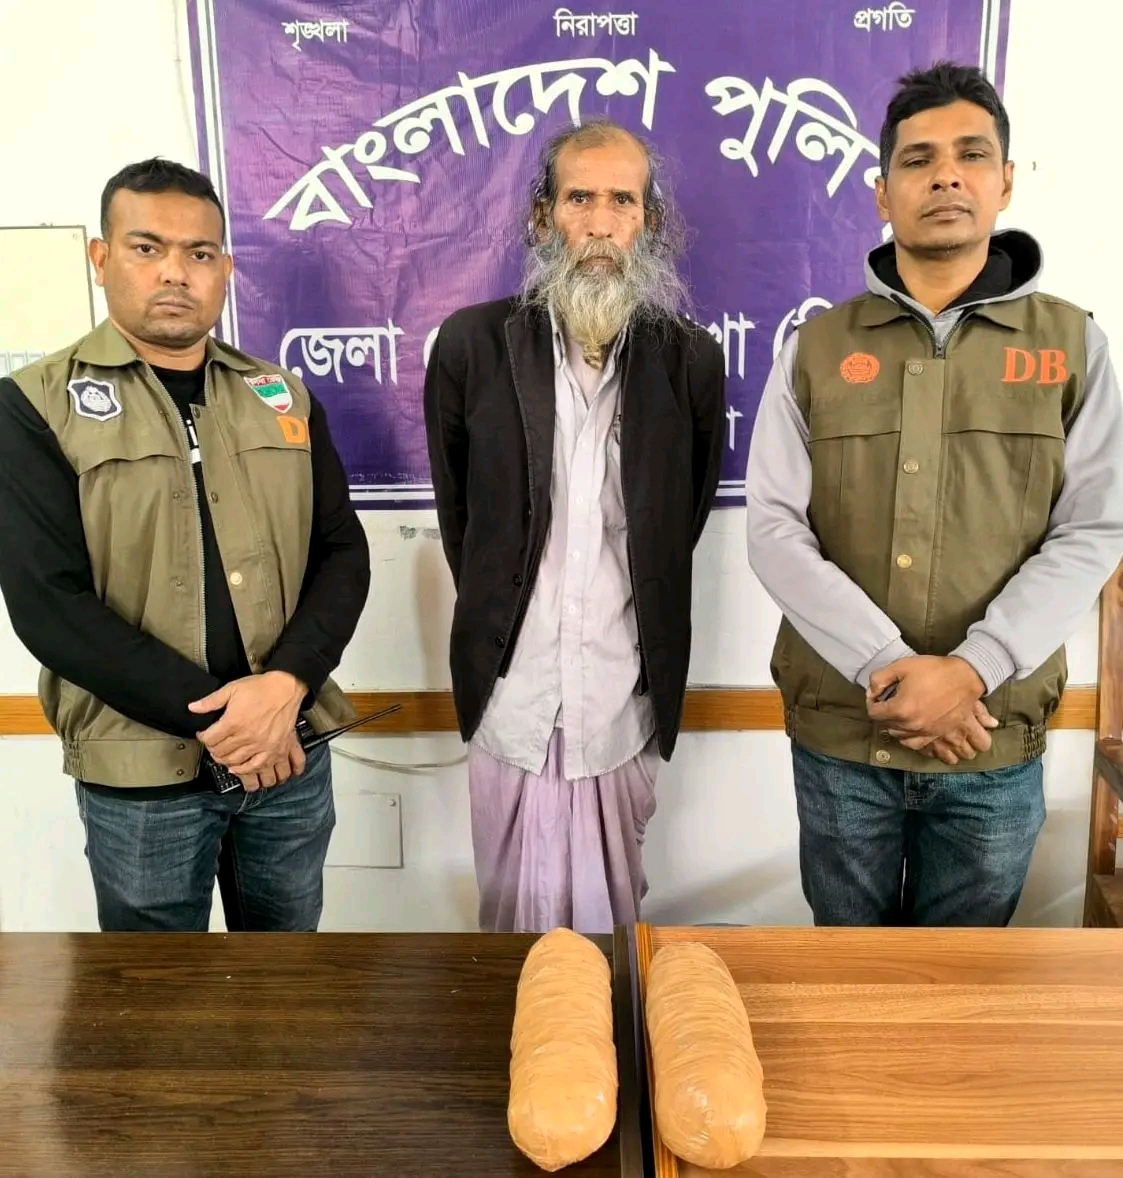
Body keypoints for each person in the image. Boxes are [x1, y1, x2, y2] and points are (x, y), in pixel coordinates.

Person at [746, 62, 1123, 927]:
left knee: (962, 984)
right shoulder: (815, 347)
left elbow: (1093, 528)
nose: (945, 176)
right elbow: (772, 527)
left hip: (989, 739)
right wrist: (887, 669)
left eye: (969, 155)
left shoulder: (1072, 345)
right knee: (845, 975)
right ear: (883, 192)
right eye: (917, 160)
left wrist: (971, 671)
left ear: (1004, 181)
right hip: (842, 737)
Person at [0, 159, 370, 932]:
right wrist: (226, 722)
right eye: (147, 248)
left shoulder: (282, 396)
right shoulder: (34, 405)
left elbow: (341, 552)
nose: (175, 272)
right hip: (142, 774)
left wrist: (285, 686)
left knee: (285, 978)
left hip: (289, 754)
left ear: (225, 270)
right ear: (101, 258)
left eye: (199, 253)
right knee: (157, 991)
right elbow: (48, 604)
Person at [424, 119, 726, 934]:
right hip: (512, 699)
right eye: (578, 199)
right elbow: (463, 522)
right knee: (509, 938)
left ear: (647, 222)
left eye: (621, 202)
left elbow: (677, 524)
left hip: (619, 703)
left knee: (612, 933)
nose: (599, 224)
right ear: (542, 216)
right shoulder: (472, 345)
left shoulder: (688, 360)